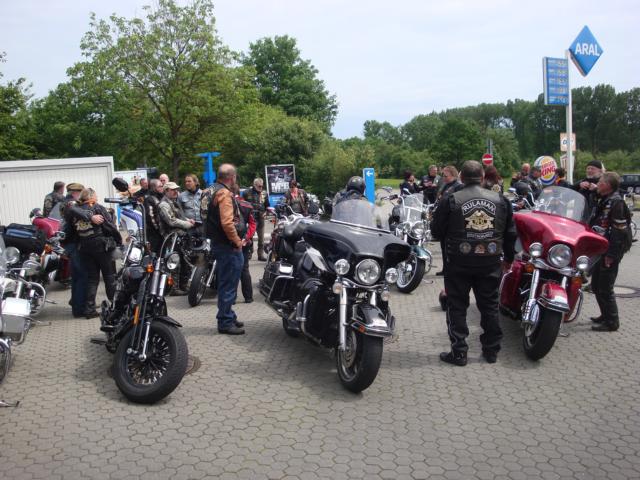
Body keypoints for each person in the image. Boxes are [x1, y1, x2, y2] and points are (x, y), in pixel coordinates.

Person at [432, 160, 517, 366]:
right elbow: (510, 233)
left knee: (457, 306)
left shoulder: (451, 199)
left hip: (458, 261)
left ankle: (459, 352)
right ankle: (491, 351)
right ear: (482, 176)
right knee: (489, 306)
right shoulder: (501, 200)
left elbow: (436, 231)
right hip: (489, 261)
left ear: (461, 177)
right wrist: (509, 258)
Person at [204, 164, 246, 335]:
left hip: (217, 242)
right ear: (232, 177)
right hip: (228, 246)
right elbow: (227, 223)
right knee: (229, 284)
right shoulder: (224, 193)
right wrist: (237, 241)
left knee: (225, 283)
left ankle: (228, 314)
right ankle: (225, 322)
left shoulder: (209, 190)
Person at [589, 172, 632, 332]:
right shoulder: (605, 198)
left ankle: (612, 322)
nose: (598, 184)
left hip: (611, 250)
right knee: (596, 285)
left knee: (605, 287)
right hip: (602, 248)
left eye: (600, 181)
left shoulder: (616, 202)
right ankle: (605, 315)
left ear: (607, 185)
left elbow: (619, 231)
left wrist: (611, 255)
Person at [70, 188, 121, 318]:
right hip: (101, 246)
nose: (97, 198)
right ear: (92, 196)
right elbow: (109, 226)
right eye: (96, 195)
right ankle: (115, 307)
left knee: (92, 279)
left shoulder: (77, 211)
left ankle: (89, 309)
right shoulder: (97, 208)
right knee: (110, 277)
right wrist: (118, 240)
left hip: (85, 247)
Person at [60, 183, 88, 318]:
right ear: (76, 192)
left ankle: (76, 304)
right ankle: (79, 308)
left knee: (76, 276)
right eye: (81, 193)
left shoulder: (64, 203)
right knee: (82, 276)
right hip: (75, 243)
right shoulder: (72, 204)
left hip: (69, 243)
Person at [234, 185, 257, 303]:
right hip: (244, 241)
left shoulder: (225, 204)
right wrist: (246, 238)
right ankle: (248, 297)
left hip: (230, 241)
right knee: (244, 268)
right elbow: (253, 224)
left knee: (231, 269)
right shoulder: (247, 205)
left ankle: (232, 298)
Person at [243, 178, 270, 261]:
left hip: (261, 218)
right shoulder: (247, 193)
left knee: (261, 239)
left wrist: (266, 212)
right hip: (250, 218)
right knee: (249, 237)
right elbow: (242, 205)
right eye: (259, 186)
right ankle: (249, 252)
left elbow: (267, 206)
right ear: (254, 185)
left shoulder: (264, 193)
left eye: (262, 186)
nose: (261, 188)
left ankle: (260, 255)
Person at [143, 179, 165, 253]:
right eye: (160, 186)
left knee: (162, 253)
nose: (162, 187)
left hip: (162, 233)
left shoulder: (162, 197)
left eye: (162, 186)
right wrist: (159, 229)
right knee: (154, 254)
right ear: (154, 188)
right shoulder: (149, 199)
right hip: (154, 233)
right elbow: (151, 217)